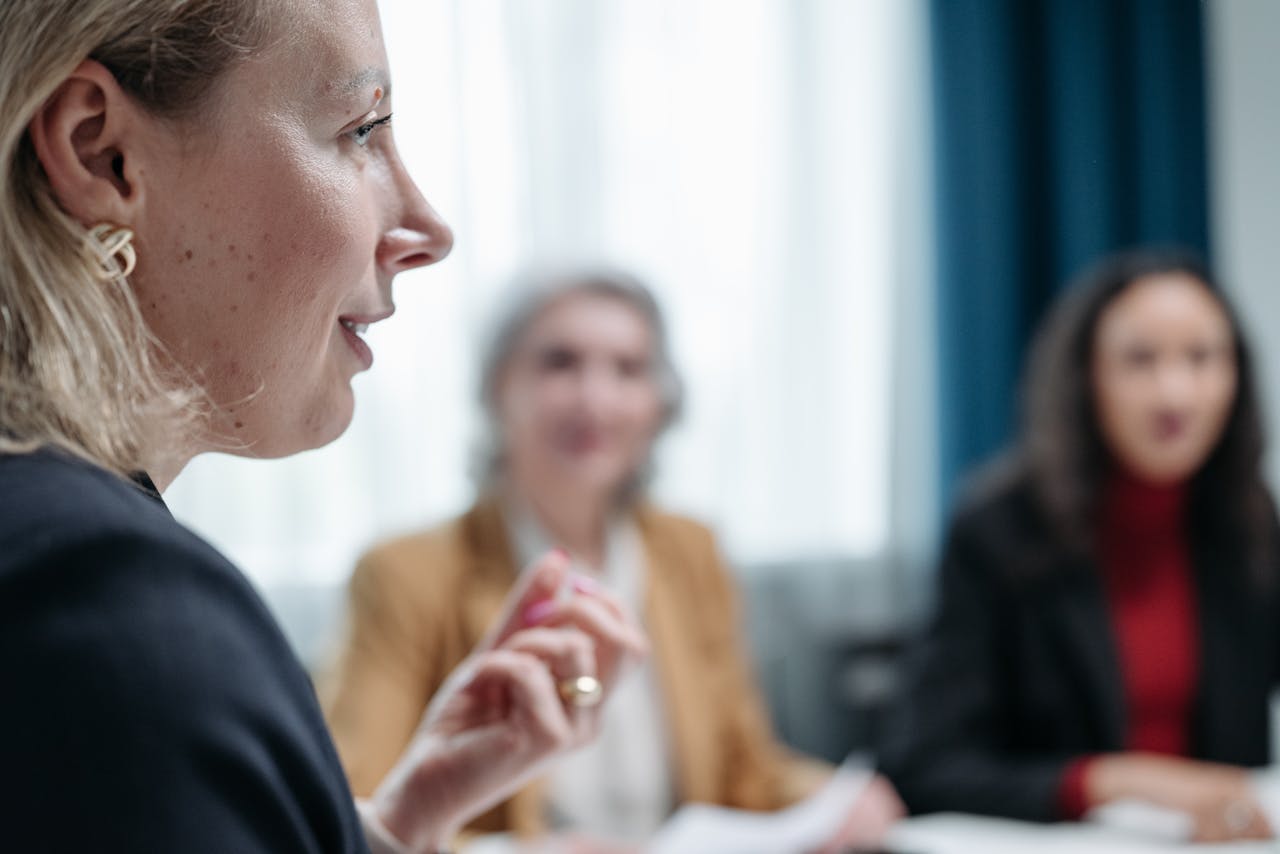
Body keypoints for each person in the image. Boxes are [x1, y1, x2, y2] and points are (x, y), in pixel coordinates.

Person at [0, 2, 646, 851]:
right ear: (102, 152)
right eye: (361, 129)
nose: (429, 229)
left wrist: (387, 828)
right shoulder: (109, 600)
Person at [323, 269, 905, 852]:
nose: (594, 400)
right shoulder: (405, 572)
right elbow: (351, 802)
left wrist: (835, 796)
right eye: (560, 362)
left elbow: (744, 769)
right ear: (500, 386)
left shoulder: (689, 551)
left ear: (659, 403)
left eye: (628, 370)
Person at [878, 247, 1280, 843]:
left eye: (1202, 358)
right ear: (1086, 376)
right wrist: (1115, 781)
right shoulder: (998, 530)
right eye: (1140, 360)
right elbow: (922, 766)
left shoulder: (1245, 522)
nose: (1176, 394)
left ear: (1236, 376)